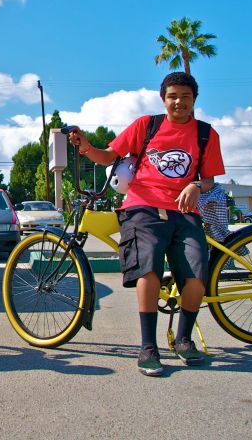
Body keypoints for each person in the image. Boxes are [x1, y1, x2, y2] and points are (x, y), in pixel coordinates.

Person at [69, 72, 225, 376]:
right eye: (172, 96)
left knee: (196, 278)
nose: (179, 102)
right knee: (149, 271)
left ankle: (183, 339)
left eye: (185, 96)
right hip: (142, 208)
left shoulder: (206, 134)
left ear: (194, 99)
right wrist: (86, 146)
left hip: (185, 212)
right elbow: (107, 156)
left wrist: (195, 186)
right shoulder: (147, 125)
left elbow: (208, 179)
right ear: (163, 98)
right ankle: (148, 346)